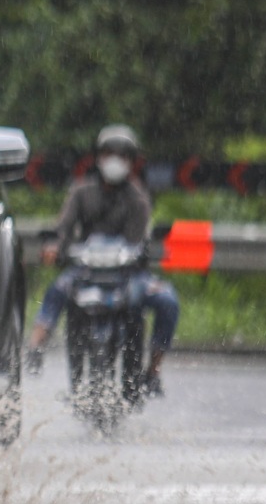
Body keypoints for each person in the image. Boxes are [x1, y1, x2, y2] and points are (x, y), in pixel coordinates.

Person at [25, 124, 180, 393]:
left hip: (127, 274)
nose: (115, 160)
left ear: (131, 161)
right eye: (110, 153)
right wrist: (55, 246)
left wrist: (145, 252)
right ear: (98, 157)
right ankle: (35, 347)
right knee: (57, 291)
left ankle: (153, 370)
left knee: (167, 300)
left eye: (122, 155)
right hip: (86, 269)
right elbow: (64, 229)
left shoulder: (138, 199)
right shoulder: (81, 192)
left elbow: (139, 240)